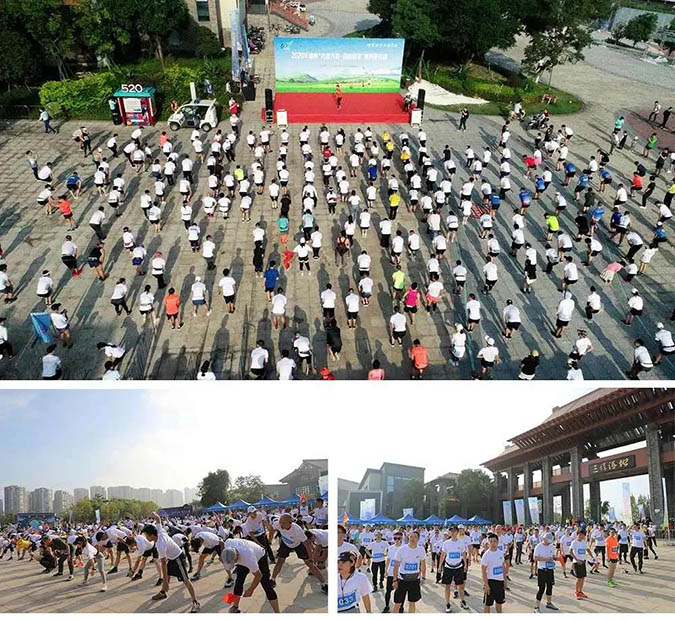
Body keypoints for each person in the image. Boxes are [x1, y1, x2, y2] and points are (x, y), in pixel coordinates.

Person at [391, 530, 425, 613]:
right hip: (402, 580)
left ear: (418, 539)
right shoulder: (402, 549)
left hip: (414, 580)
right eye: (411, 536)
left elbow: (423, 565)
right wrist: (395, 580)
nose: (413, 538)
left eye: (415, 537)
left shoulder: (421, 549)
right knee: (398, 603)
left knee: (412, 603)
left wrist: (423, 577)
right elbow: (396, 566)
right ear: (408, 538)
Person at [481, 533, 507, 613]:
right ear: (488, 543)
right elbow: (483, 571)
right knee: (487, 604)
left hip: (500, 582)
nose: (493, 543)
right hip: (490, 582)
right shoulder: (486, 555)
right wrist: (486, 584)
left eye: (495, 541)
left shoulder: (500, 553)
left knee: (499, 602)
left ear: (498, 542)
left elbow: (503, 567)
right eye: (491, 541)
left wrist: (505, 580)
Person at [533, 533, 558, 612]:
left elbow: (552, 555)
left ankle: (549, 603)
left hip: (550, 569)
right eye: (547, 540)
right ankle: (537, 607)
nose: (549, 542)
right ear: (544, 539)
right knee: (541, 588)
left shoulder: (551, 546)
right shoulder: (538, 547)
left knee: (550, 586)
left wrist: (554, 557)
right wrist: (546, 559)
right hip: (542, 570)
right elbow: (535, 558)